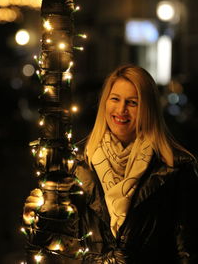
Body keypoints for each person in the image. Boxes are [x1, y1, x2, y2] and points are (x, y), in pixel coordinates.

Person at [24, 65, 198, 263]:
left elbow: (188, 251)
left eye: (133, 102)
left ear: (148, 109)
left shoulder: (175, 168)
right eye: (115, 99)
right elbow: (60, 247)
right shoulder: (77, 164)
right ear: (105, 102)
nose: (121, 110)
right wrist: (39, 220)